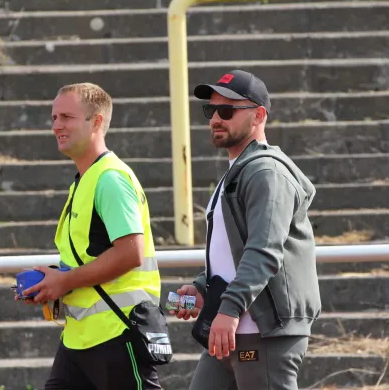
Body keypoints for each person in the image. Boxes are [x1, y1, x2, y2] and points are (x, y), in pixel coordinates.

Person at [172, 69, 322, 390]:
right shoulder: (238, 171)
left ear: (258, 116)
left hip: (260, 329)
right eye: (210, 110)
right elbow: (235, 248)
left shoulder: (266, 172)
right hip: (232, 324)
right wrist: (202, 286)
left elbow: (264, 250)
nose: (215, 118)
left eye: (226, 111)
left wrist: (229, 308)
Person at [19, 82, 164, 389]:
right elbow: (87, 256)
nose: (56, 125)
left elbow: (130, 253)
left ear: (96, 122)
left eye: (66, 117)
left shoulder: (110, 179)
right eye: (54, 117)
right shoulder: (84, 181)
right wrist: (52, 281)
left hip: (118, 331)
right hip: (80, 337)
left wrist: (64, 281)